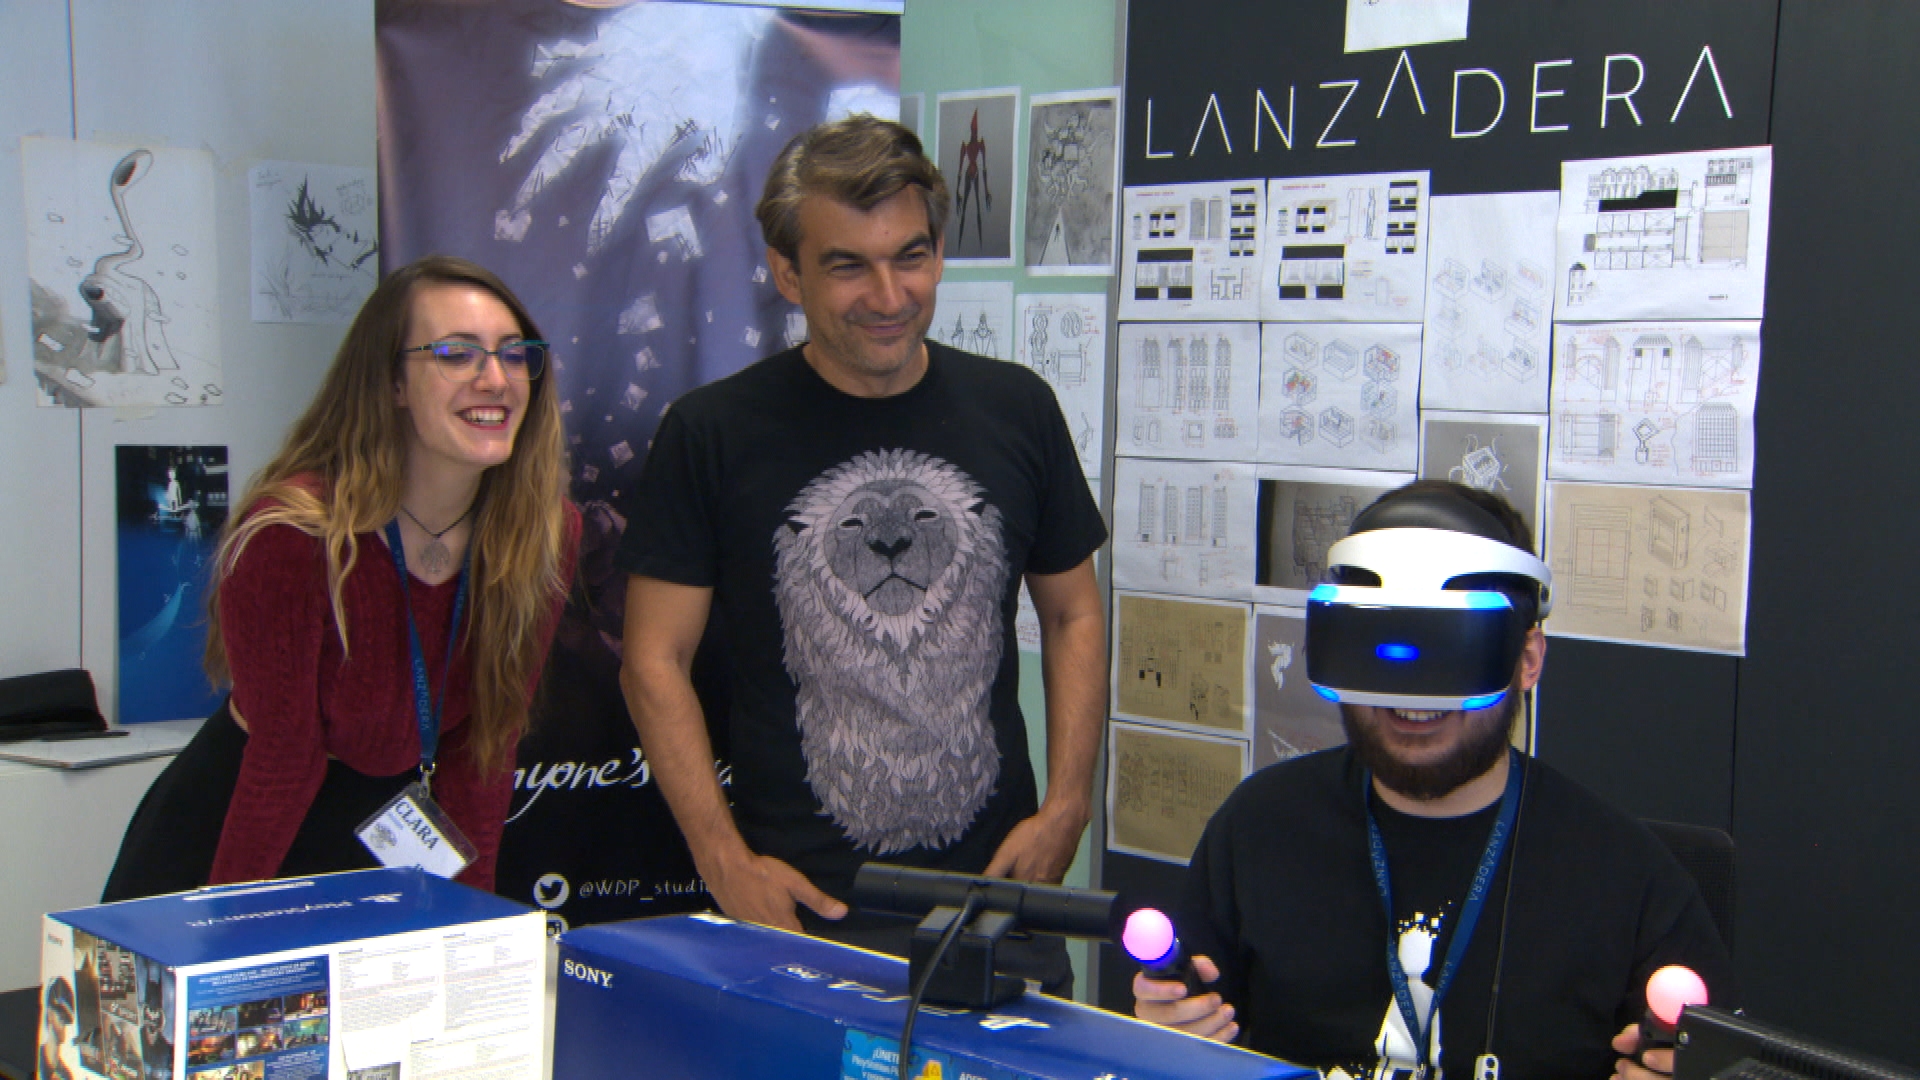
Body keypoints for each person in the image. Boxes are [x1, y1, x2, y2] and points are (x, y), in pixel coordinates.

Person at [617, 115, 1107, 992]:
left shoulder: (1018, 408)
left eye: (909, 256)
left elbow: (1073, 613)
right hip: (798, 904)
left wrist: (1069, 805)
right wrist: (722, 859)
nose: (888, 295)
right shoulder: (711, 433)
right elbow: (654, 659)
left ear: (939, 253)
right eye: (847, 265)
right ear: (788, 273)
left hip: (998, 898)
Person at [1134, 481, 1733, 1080]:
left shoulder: (1626, 878)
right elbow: (1183, 1029)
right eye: (1383, 650)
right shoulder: (1260, 828)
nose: (1413, 698)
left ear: (1526, 660)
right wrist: (1168, 1033)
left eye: (1448, 652)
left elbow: (1711, 1060)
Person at [103, 255, 581, 899]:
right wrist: (224, 929)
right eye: (456, 353)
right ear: (391, 382)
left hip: (390, 832)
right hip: (246, 832)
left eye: (514, 353)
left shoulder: (543, 531)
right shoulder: (293, 532)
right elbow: (284, 758)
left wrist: (472, 919)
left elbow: (486, 745)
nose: (495, 378)